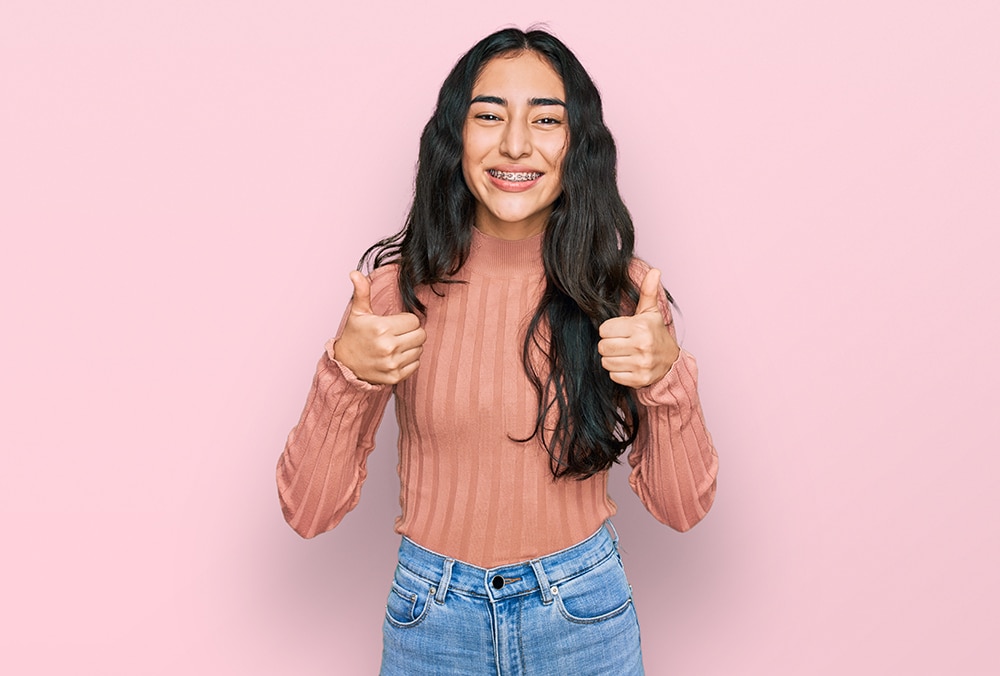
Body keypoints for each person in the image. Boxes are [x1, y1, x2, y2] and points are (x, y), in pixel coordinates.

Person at [276, 27, 718, 675]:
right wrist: (346, 376)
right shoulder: (394, 292)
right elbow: (308, 513)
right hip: (432, 620)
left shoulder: (621, 293)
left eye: (546, 120)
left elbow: (683, 511)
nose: (515, 144)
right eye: (489, 116)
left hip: (582, 614)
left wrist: (665, 377)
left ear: (578, 146)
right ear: (455, 139)